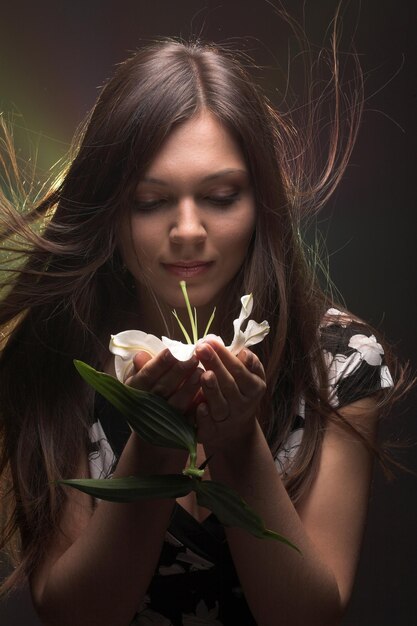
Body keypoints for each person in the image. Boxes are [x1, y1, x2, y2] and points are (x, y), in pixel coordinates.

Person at [0, 37, 408, 626]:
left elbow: (309, 616)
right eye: (149, 201)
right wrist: (158, 439)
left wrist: (238, 443)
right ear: (111, 209)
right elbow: (76, 615)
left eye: (220, 197)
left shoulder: (341, 364)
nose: (187, 230)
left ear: (260, 202)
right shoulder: (59, 355)